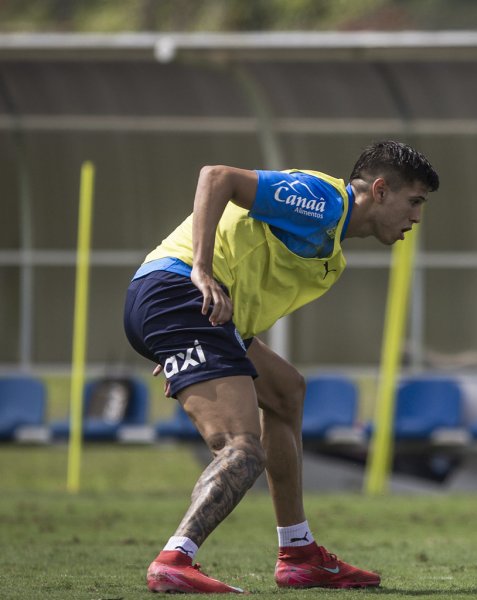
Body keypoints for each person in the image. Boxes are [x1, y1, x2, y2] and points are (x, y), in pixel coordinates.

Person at [124, 140, 439, 593]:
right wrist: (200, 271)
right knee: (242, 450)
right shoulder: (323, 201)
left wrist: (178, 344)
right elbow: (217, 176)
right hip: (178, 294)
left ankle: (298, 553)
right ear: (381, 190)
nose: (417, 217)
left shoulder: (330, 244)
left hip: (193, 314)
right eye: (414, 201)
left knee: (287, 390)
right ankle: (175, 558)